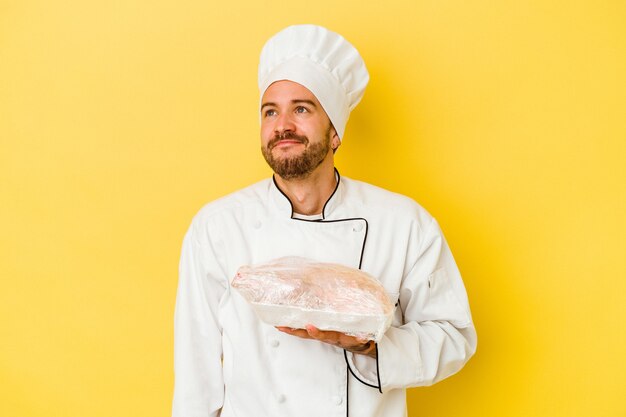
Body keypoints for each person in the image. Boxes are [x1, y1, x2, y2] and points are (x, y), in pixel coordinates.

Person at [172, 24, 476, 417]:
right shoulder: (217, 227)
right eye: (270, 111)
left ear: (335, 132)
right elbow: (197, 376)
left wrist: (370, 346)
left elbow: (454, 336)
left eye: (301, 108)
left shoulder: (404, 224)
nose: (282, 125)